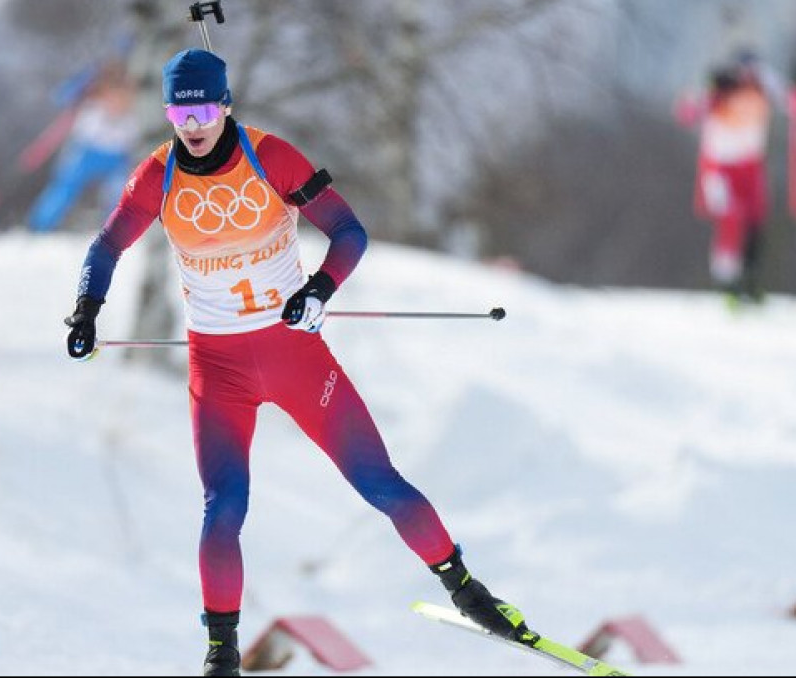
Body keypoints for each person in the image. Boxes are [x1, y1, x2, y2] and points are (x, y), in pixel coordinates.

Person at [63, 49, 534, 677]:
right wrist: (87, 309)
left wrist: (318, 290)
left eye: (205, 107)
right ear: (169, 111)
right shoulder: (157, 175)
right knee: (223, 506)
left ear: (225, 104)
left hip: (294, 357)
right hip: (219, 369)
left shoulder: (269, 156)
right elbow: (106, 246)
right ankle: (221, 654)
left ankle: (469, 592)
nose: (194, 122)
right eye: (181, 109)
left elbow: (349, 232)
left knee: (381, 484)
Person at [675, 48, 796, 305]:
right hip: (720, 167)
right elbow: (687, 113)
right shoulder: (721, 89)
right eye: (743, 72)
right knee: (731, 218)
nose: (748, 77)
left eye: (752, 71)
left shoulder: (764, 86)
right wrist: (706, 90)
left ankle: (751, 279)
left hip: (750, 166)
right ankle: (728, 281)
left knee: (755, 220)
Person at [28, 59, 139, 234]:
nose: (117, 103)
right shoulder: (90, 107)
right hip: (86, 153)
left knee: (121, 190)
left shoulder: (135, 111)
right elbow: (62, 96)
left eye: (123, 98)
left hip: (117, 157)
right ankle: (40, 226)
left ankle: (115, 230)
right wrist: (83, 83)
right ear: (104, 94)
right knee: (65, 187)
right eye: (112, 97)